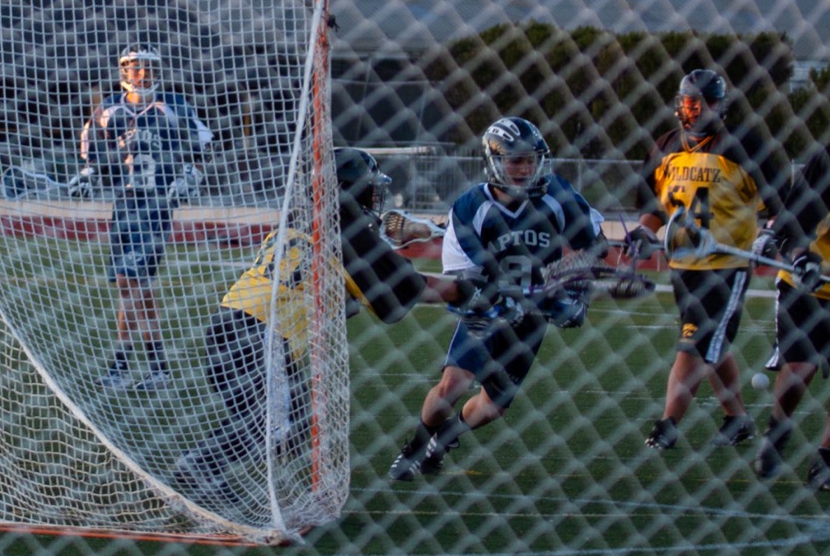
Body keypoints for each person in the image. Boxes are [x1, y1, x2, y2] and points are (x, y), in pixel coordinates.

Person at [173, 147, 462, 504]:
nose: (375, 197)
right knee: (279, 428)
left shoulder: (305, 219)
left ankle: (206, 469)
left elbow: (342, 292)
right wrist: (470, 286)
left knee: (295, 427)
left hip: (233, 327)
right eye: (369, 189)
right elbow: (404, 292)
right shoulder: (348, 234)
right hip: (262, 336)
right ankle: (199, 468)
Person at [389, 117, 606, 480]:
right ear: (493, 161)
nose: (523, 168)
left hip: (532, 315)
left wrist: (572, 289)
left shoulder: (558, 196)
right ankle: (414, 447)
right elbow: (464, 279)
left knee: (494, 406)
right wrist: (500, 299)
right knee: (453, 383)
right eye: (514, 160)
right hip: (485, 311)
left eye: (529, 160)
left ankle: (444, 440)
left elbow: (594, 246)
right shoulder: (472, 206)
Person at [633, 68, 789, 452]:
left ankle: (667, 424)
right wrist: (645, 231)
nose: (699, 109)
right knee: (711, 343)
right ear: (680, 106)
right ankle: (737, 419)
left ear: (721, 105)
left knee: (694, 342)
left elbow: (781, 203)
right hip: (684, 265)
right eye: (691, 102)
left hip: (726, 266)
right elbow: (654, 202)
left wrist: (770, 232)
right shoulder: (667, 146)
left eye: (707, 102)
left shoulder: (744, 145)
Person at [72, 44, 211, 391]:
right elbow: (94, 155)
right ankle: (155, 368)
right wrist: (87, 177)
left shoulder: (174, 106)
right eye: (134, 67)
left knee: (128, 281)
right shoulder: (108, 108)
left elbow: (201, 150)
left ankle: (124, 367)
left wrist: (190, 175)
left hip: (156, 205)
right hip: (124, 204)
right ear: (124, 71)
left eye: (147, 67)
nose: (142, 74)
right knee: (132, 285)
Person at [751, 143, 830, 488]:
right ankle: (778, 428)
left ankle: (826, 459)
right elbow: (796, 217)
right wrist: (800, 255)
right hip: (809, 282)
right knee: (800, 367)